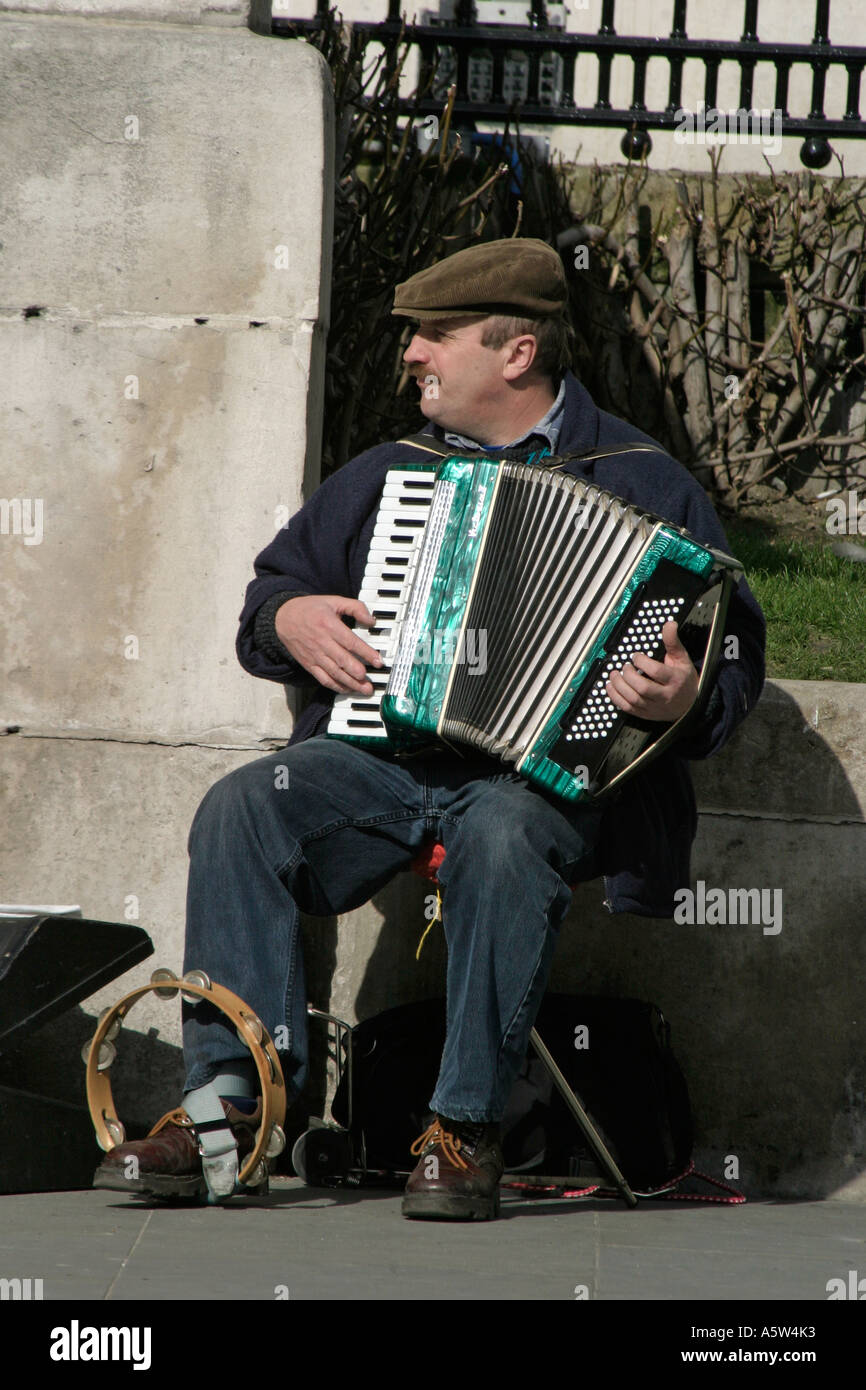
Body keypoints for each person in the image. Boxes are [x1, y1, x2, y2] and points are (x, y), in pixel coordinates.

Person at [94, 238, 766, 1219]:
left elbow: (729, 655)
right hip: (382, 765)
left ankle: (464, 1131)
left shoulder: (642, 479)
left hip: (547, 785)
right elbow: (271, 594)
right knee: (244, 804)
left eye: (434, 335)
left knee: (500, 829)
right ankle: (229, 1115)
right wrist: (291, 619)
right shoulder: (387, 474)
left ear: (515, 353)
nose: (411, 353)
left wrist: (681, 696)